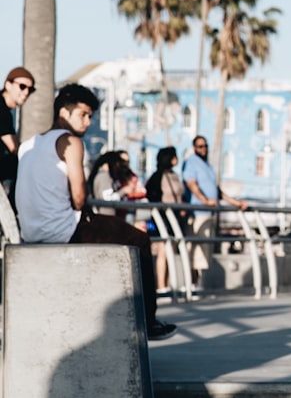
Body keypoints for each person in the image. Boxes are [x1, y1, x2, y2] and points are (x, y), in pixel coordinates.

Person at [15, 84, 175, 339]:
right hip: (64, 230)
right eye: (84, 114)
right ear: (64, 113)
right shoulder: (71, 142)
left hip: (31, 232)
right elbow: (79, 199)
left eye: (91, 116)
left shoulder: (28, 145)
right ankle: (148, 321)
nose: (88, 122)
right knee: (140, 239)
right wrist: (82, 208)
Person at [181, 135, 248, 282]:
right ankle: (192, 284)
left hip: (209, 213)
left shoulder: (208, 166)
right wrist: (205, 201)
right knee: (195, 249)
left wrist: (235, 203)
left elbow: (216, 191)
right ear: (194, 148)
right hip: (197, 212)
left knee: (206, 249)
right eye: (200, 146)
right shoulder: (191, 162)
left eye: (205, 146)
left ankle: (199, 283)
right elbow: (192, 185)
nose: (203, 149)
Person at [145, 146, 184, 293]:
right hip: (163, 217)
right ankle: (161, 285)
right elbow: (150, 194)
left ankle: (169, 283)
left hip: (176, 216)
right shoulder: (158, 176)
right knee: (163, 250)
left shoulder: (175, 175)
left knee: (171, 249)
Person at [0, 66, 35, 197]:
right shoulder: (1, 108)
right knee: (24, 165)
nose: (26, 92)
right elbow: (13, 147)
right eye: (22, 86)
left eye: (30, 89)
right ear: (8, 85)